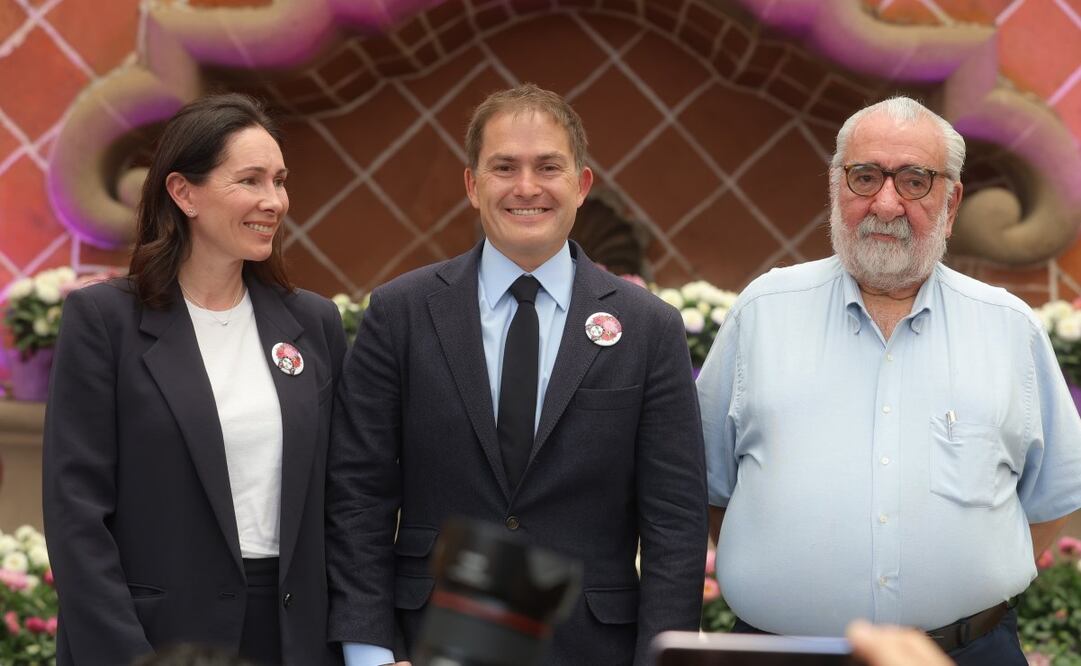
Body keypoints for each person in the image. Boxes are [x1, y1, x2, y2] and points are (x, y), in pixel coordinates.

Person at [326, 83, 708, 665]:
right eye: (504, 167)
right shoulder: (401, 313)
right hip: (427, 645)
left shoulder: (648, 328)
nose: (526, 187)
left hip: (589, 649)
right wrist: (371, 654)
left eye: (548, 167)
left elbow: (675, 522)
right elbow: (358, 494)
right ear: (472, 185)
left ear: (581, 185)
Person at [696, 96, 1081, 666]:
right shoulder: (762, 313)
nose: (885, 202)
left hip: (967, 653)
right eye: (865, 177)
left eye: (914, 181)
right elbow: (708, 487)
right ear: (837, 188)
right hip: (782, 654)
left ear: (951, 202)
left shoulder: (1008, 328)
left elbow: (1049, 501)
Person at [42, 94, 345, 665]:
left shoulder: (314, 322)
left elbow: (343, 501)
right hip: (156, 641)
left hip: (294, 639)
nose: (274, 200)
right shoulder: (104, 321)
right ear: (184, 193)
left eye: (279, 181)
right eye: (250, 180)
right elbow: (76, 517)